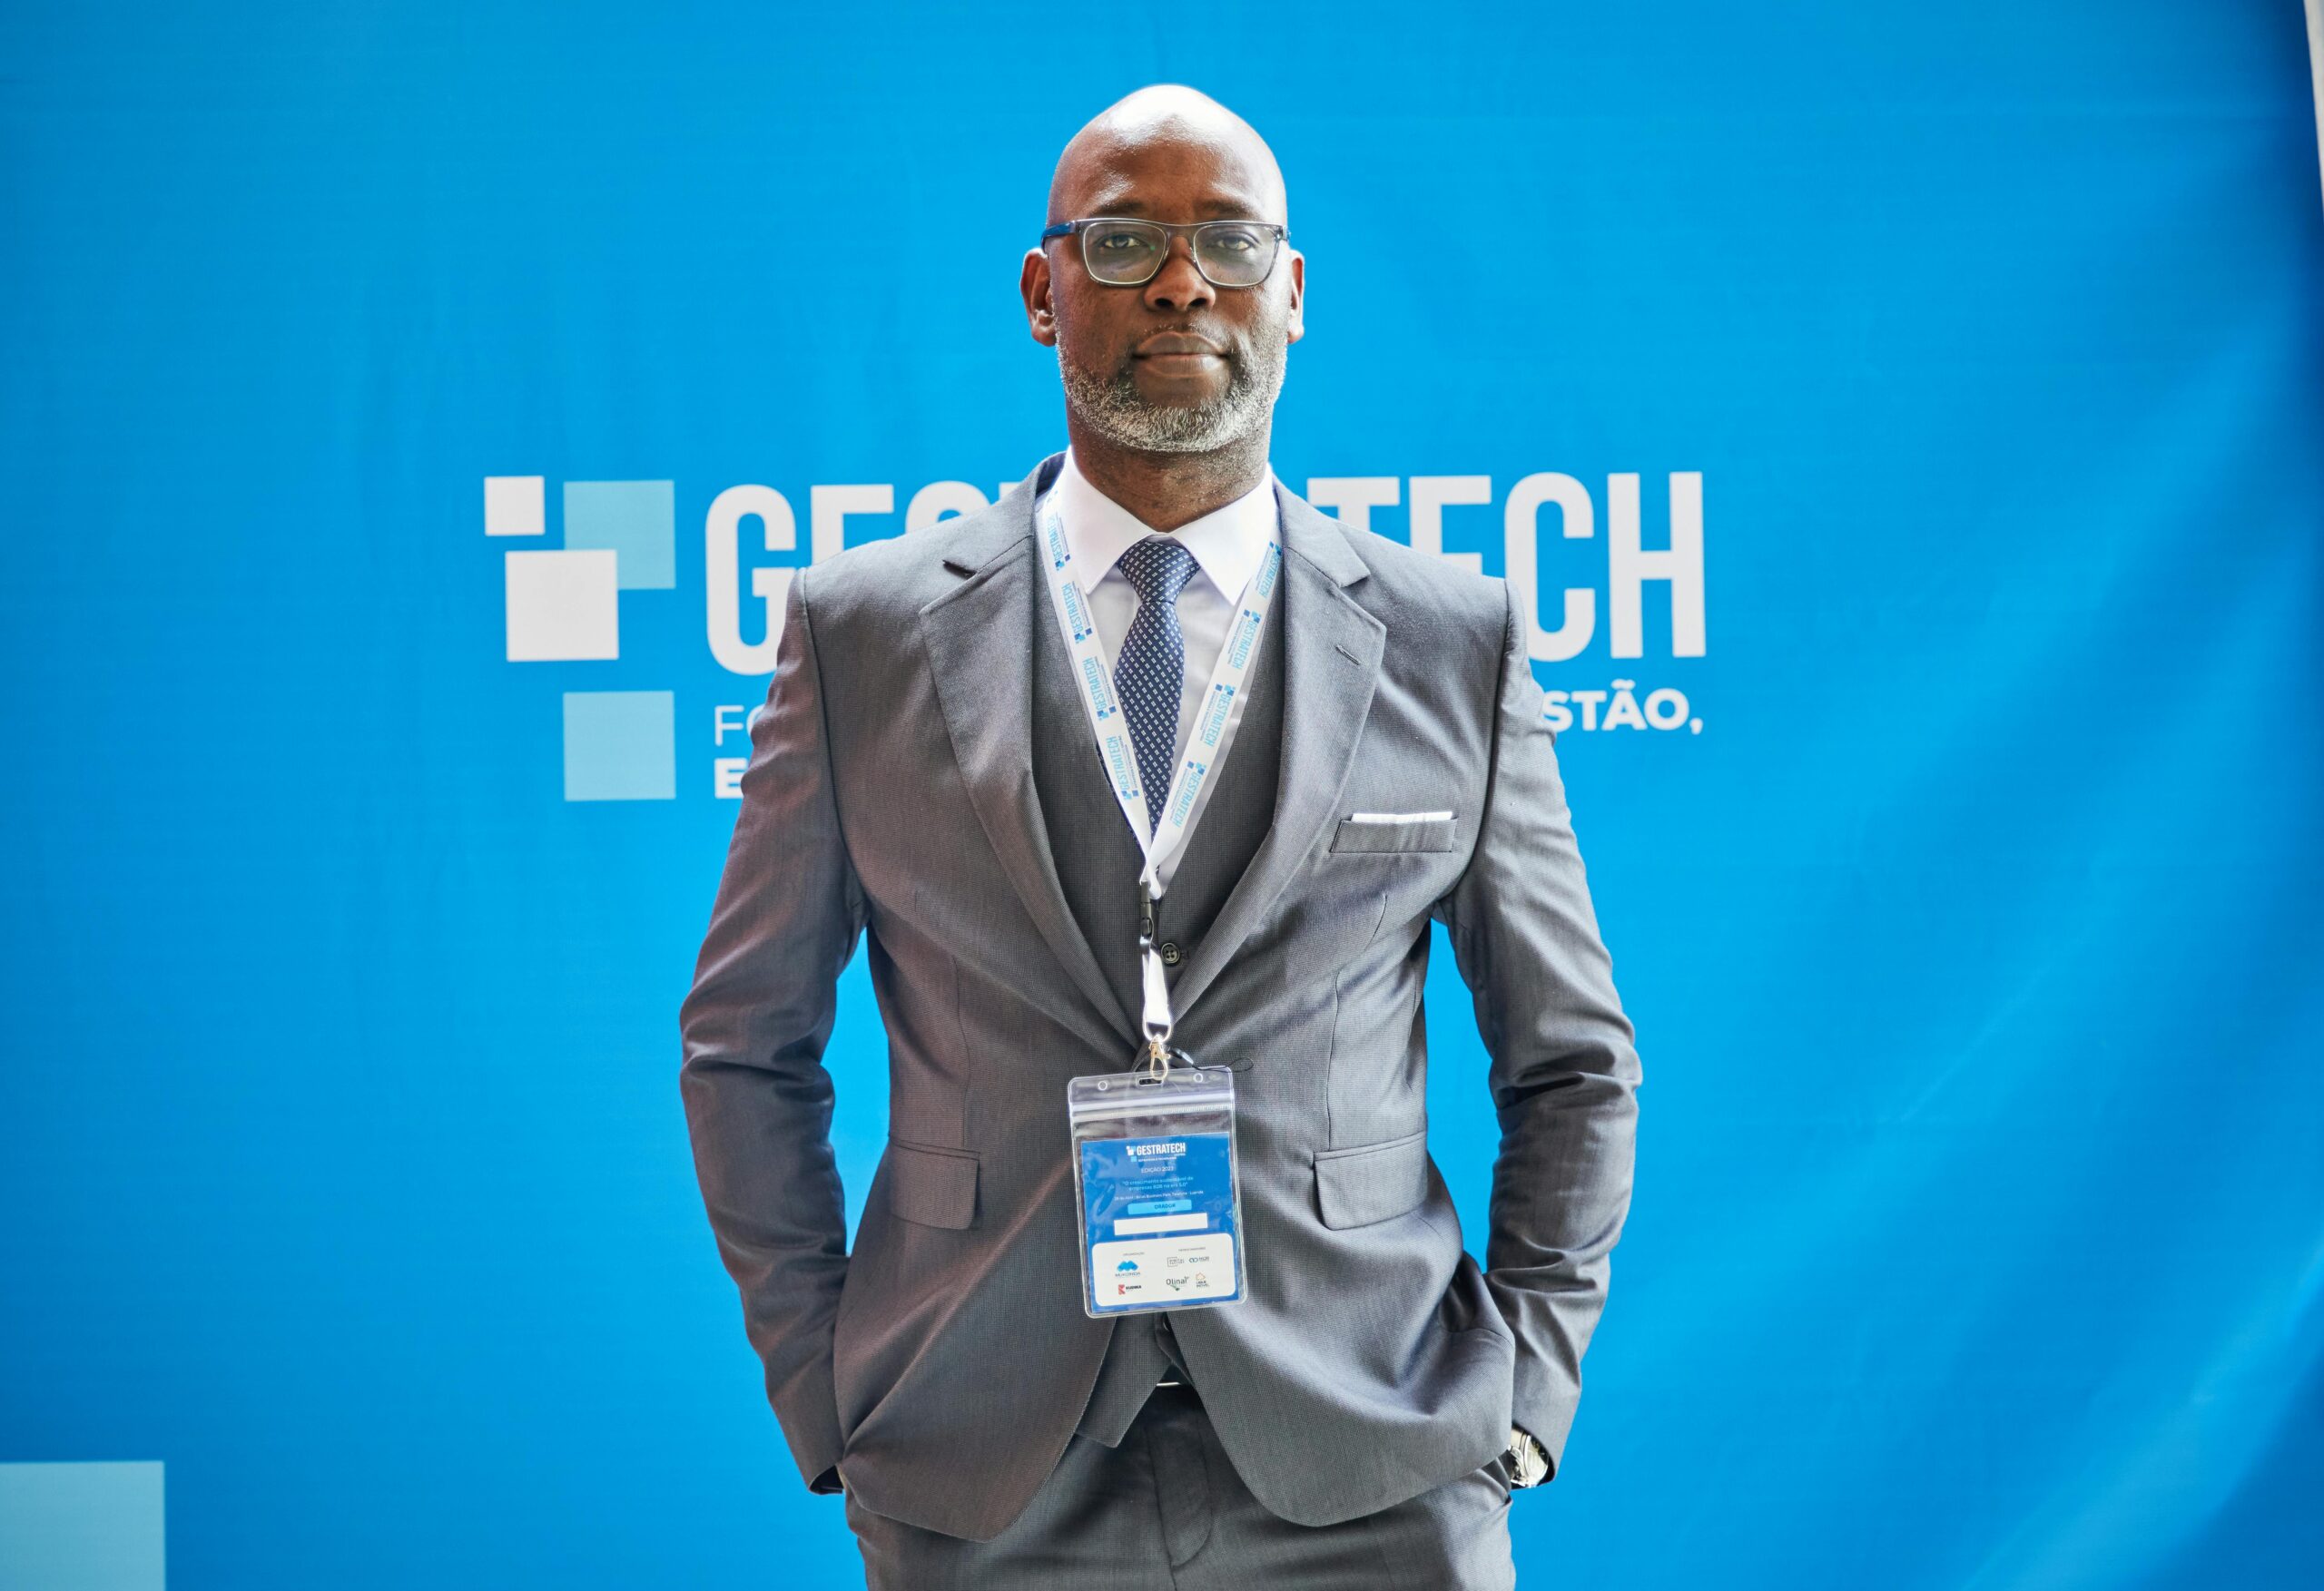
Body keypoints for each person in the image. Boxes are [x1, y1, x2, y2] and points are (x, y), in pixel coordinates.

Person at [679, 83, 1642, 1590]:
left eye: (1230, 242)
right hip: (979, 1469)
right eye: (1122, 241)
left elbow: (1574, 1057)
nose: (1184, 281)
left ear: (1296, 293)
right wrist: (831, 1393)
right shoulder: (860, 632)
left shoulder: (1455, 638)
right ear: (1041, 293)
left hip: (1376, 1461)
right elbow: (745, 1045)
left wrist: (1520, 1401)